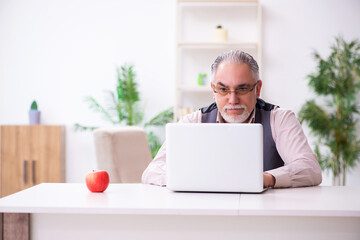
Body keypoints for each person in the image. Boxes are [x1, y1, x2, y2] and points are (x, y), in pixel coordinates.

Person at [142, 50, 322, 188]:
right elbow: (152, 171)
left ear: (257, 89)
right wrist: (195, 178)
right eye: (223, 89)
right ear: (213, 89)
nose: (233, 99)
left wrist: (265, 178)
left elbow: (310, 168)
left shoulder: (280, 119)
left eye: (242, 89)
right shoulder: (193, 121)